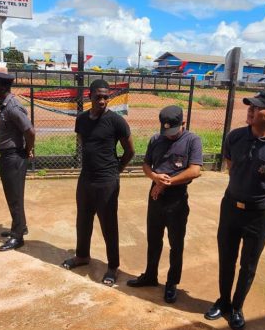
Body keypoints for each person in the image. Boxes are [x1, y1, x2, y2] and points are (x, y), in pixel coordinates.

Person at [205, 89, 265, 330]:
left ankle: (237, 307)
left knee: (248, 264)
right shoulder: (234, 137)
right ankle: (223, 301)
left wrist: (262, 203)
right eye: (250, 105)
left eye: (257, 107)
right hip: (230, 209)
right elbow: (232, 168)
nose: (251, 110)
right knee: (226, 258)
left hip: (259, 214)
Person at [62, 79, 135, 286]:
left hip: (107, 181)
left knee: (108, 224)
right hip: (86, 179)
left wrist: (117, 169)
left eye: (106, 97)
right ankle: (82, 255)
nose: (102, 101)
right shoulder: (82, 120)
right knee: (83, 220)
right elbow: (84, 144)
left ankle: (113, 266)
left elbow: (130, 151)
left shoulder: (117, 121)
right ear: (89, 96)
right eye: (98, 97)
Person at [127, 105, 203, 303]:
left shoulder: (192, 140)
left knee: (176, 244)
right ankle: (150, 275)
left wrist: (166, 182)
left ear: (183, 124)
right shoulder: (156, 139)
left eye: (172, 130)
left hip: (177, 198)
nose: (168, 135)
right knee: (153, 239)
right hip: (155, 197)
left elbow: (195, 170)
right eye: (165, 130)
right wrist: (154, 177)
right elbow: (146, 165)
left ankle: (172, 283)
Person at [0, 71, 35, 251]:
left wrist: (27, 150)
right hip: (9, 156)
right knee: (13, 195)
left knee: (14, 197)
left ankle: (18, 237)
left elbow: (30, 131)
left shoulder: (12, 107)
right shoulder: (4, 104)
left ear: (0, 88)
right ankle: (20, 227)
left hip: (14, 156)